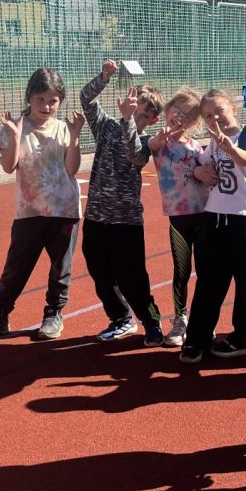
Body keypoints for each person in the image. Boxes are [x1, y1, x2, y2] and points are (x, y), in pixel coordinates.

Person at [0, 68, 84, 343]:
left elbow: (72, 169)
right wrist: (14, 138)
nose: (46, 106)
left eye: (52, 100)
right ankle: (0, 315)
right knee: (16, 267)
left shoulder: (64, 128)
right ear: (29, 98)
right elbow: (8, 167)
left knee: (60, 268)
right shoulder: (16, 126)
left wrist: (75, 138)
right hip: (29, 211)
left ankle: (53, 314)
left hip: (64, 211)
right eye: (40, 99)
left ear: (60, 101)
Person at [80, 59, 166, 345]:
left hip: (126, 222)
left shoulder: (147, 141)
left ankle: (151, 321)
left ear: (152, 120)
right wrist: (104, 77)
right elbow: (85, 99)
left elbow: (135, 155)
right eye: (135, 110)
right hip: (95, 217)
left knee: (132, 277)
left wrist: (129, 121)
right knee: (99, 272)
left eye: (144, 116)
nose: (137, 117)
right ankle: (121, 319)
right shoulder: (106, 127)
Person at [181, 88, 246, 364]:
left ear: (233, 109)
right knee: (208, 283)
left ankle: (244, 338)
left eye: (220, 111)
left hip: (243, 219)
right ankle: (197, 338)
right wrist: (199, 171)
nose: (215, 118)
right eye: (208, 116)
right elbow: (198, 166)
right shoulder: (212, 143)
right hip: (213, 218)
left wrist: (229, 146)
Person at [138, 87, 208, 347]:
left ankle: (203, 321)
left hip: (203, 216)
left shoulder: (196, 147)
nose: (180, 118)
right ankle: (180, 319)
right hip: (178, 218)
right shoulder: (160, 144)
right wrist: (162, 135)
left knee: (205, 271)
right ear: (168, 110)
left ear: (195, 122)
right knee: (181, 270)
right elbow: (153, 144)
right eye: (177, 111)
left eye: (188, 116)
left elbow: (206, 175)